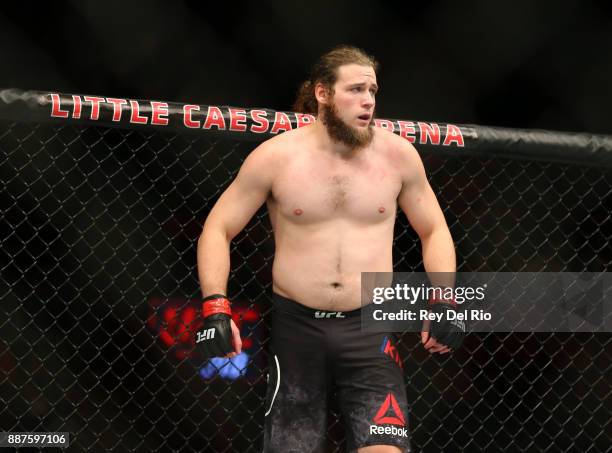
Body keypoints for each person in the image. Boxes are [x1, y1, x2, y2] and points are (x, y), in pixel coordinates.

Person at [196, 45, 463, 453]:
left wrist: (444, 297)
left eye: (372, 91)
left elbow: (434, 229)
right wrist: (216, 305)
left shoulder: (398, 156)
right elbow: (218, 227)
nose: (368, 101)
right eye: (355, 90)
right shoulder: (276, 157)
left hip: (370, 328)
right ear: (323, 93)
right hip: (297, 328)